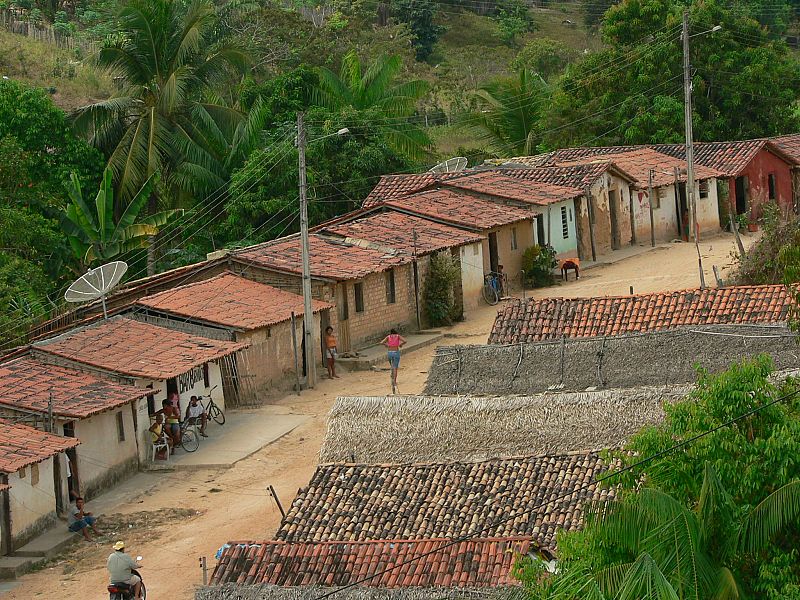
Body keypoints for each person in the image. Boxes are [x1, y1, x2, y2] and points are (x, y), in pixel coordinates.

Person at [380, 328, 407, 393]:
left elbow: (381, 342)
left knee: (392, 366)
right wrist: (400, 345)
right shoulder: (398, 336)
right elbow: (405, 341)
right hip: (396, 352)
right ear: (396, 332)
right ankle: (394, 382)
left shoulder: (388, 337)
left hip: (389, 353)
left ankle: (392, 377)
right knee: (395, 368)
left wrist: (387, 345)